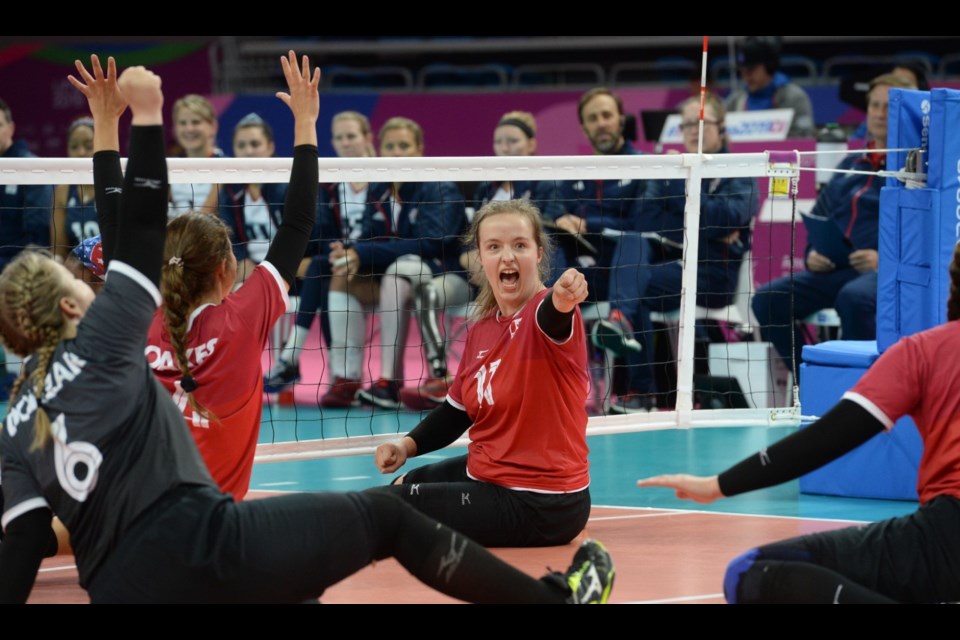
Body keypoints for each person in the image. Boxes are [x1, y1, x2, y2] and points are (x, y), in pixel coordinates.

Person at [0, 54, 614, 606]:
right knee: (379, 518)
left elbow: (122, 219)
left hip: (118, 578)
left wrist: (108, 128)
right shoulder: (224, 318)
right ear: (224, 273)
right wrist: (151, 117)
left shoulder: (48, 396)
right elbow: (291, 222)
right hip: (210, 536)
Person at [637, 242, 960, 603]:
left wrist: (718, 484)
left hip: (947, 536)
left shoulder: (924, 352)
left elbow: (827, 438)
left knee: (750, 572)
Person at [374, 199, 592, 548]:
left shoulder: (544, 313)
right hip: (489, 475)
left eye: (519, 245)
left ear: (538, 253)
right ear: (480, 257)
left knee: (382, 509)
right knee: (402, 485)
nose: (507, 256)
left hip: (540, 502)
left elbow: (555, 314)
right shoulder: (483, 327)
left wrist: (565, 296)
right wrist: (405, 446)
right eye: (494, 247)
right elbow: (456, 412)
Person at [594, 94, 757, 413]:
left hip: (712, 275)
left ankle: (640, 390)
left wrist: (680, 194)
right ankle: (621, 323)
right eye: (686, 125)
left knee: (633, 279)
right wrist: (702, 220)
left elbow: (729, 216)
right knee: (634, 246)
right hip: (672, 268)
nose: (693, 131)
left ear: (721, 128)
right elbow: (646, 219)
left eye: (702, 123)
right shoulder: (670, 168)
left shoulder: (739, 169)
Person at [397, 110, 567, 410]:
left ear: (531, 145)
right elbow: (468, 236)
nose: (505, 148)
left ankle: (524, 384)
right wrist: (467, 256)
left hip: (522, 279)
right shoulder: (486, 188)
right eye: (499, 142)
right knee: (429, 290)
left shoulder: (546, 183)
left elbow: (548, 232)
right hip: (474, 275)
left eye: (513, 141)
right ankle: (440, 377)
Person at [751, 74, 915, 375]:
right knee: (767, 300)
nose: (879, 113)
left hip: (887, 272)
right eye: (874, 105)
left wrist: (884, 260)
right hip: (837, 268)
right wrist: (814, 253)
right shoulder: (851, 164)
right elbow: (822, 215)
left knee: (853, 298)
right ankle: (813, 379)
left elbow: (923, 232)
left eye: (888, 106)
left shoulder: (915, 168)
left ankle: (861, 389)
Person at [340, 118, 469, 410]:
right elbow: (370, 239)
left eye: (404, 146)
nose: (397, 152)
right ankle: (382, 381)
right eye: (390, 146)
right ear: (380, 150)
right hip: (402, 276)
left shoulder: (439, 188)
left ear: (420, 149)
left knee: (402, 268)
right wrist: (349, 253)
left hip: (449, 275)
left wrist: (365, 252)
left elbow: (433, 242)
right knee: (386, 275)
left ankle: (436, 376)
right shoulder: (379, 191)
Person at [264, 110, 376, 395]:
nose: (345, 143)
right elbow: (322, 233)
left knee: (318, 269)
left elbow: (391, 229)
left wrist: (357, 251)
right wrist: (338, 249)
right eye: (339, 137)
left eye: (351, 136)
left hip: (375, 265)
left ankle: (293, 358)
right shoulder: (328, 183)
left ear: (367, 138)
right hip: (337, 264)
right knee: (322, 272)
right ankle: (341, 377)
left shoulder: (382, 181)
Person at [555, 88, 644, 304]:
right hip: (578, 265)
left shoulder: (645, 167)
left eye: (607, 115)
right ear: (584, 129)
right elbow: (558, 211)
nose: (601, 123)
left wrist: (588, 224)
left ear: (621, 121)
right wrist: (561, 221)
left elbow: (641, 226)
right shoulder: (575, 173)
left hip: (625, 266)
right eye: (593, 118)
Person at [0, 97, 54, 402]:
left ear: (11, 127)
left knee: (19, 370)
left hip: (18, 283)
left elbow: (36, 236)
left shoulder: (27, 167)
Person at [217, 112, 286, 285]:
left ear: (270, 147)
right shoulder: (230, 191)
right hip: (248, 271)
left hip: (286, 270)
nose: (248, 151)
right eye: (241, 145)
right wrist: (241, 260)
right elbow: (229, 235)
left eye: (255, 144)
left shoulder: (288, 187)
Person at [725, 36, 815, 139]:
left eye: (751, 70)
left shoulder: (794, 98)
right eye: (742, 71)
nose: (746, 77)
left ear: (769, 66)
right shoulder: (735, 100)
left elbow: (805, 137)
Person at [50, 117, 98, 262]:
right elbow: (58, 250)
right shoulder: (62, 192)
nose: (81, 152)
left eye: (89, 146)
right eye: (74, 146)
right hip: (76, 274)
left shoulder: (117, 188)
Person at [168, 93, 221, 216]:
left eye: (196, 122)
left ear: (213, 126)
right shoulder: (170, 168)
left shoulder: (227, 167)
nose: (189, 129)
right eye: (182, 123)